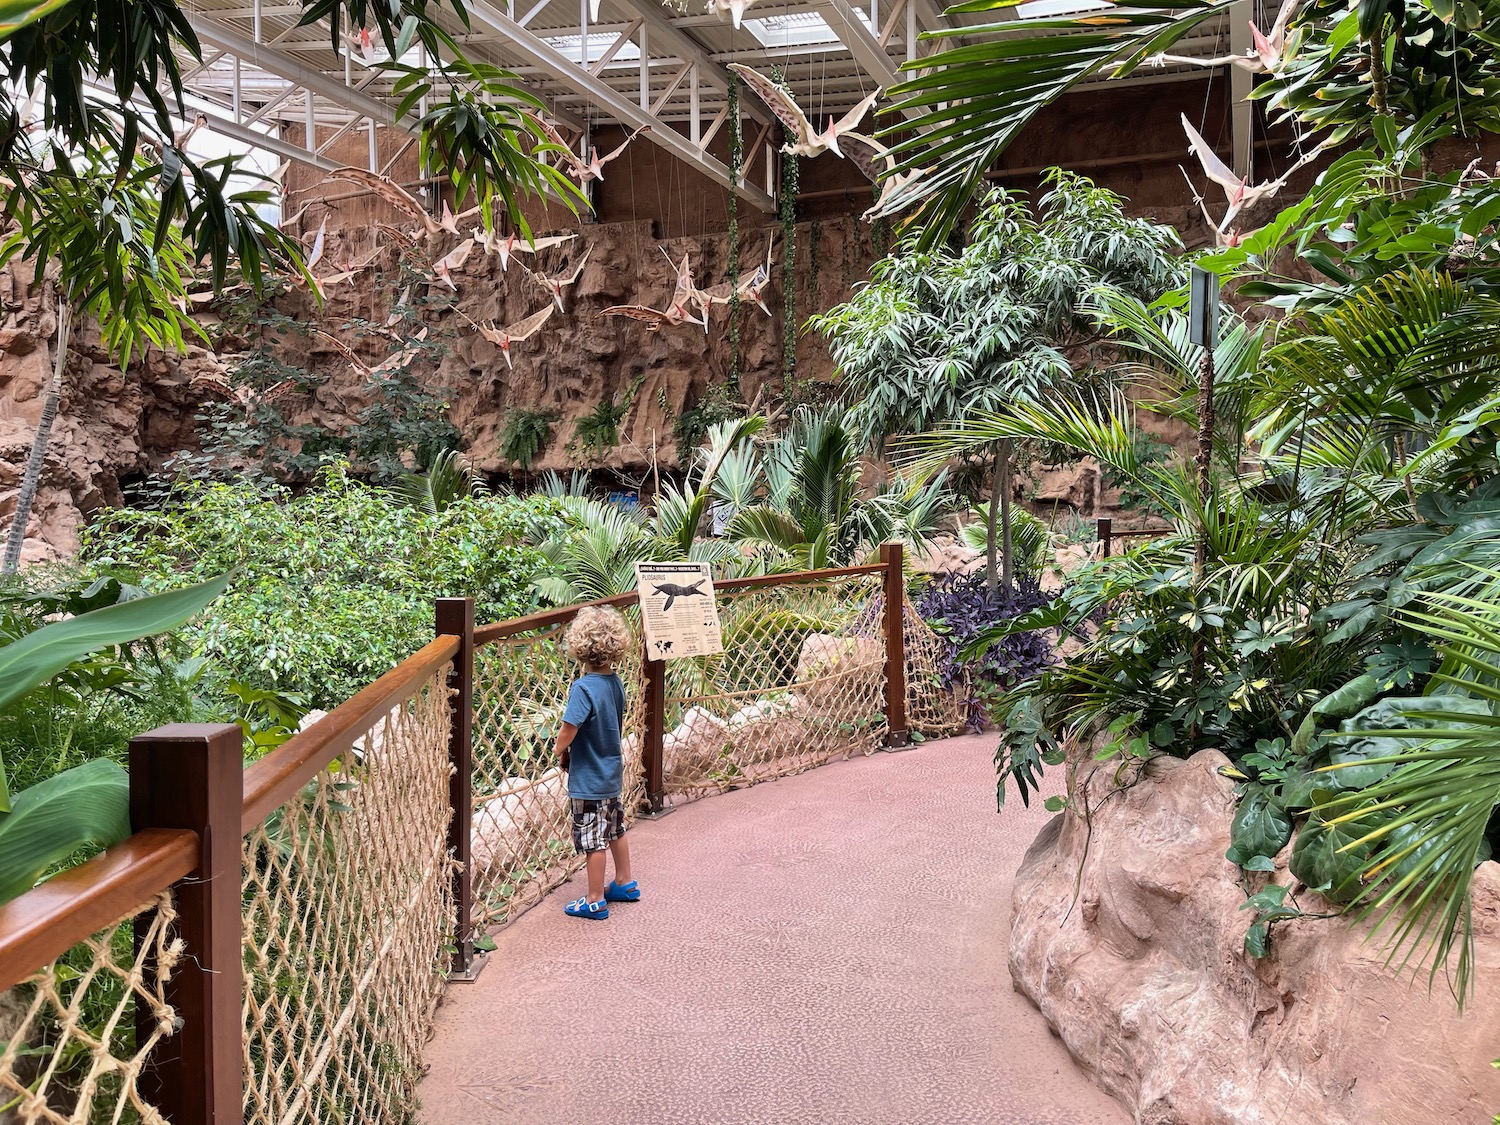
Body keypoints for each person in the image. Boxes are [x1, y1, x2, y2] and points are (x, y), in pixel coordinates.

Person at [553, 605, 640, 920]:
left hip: (588, 779)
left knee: (592, 839)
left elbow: (570, 728)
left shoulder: (582, 688)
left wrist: (559, 748)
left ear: (579, 647)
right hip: (611, 774)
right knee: (615, 828)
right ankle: (625, 882)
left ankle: (593, 898)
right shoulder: (615, 683)